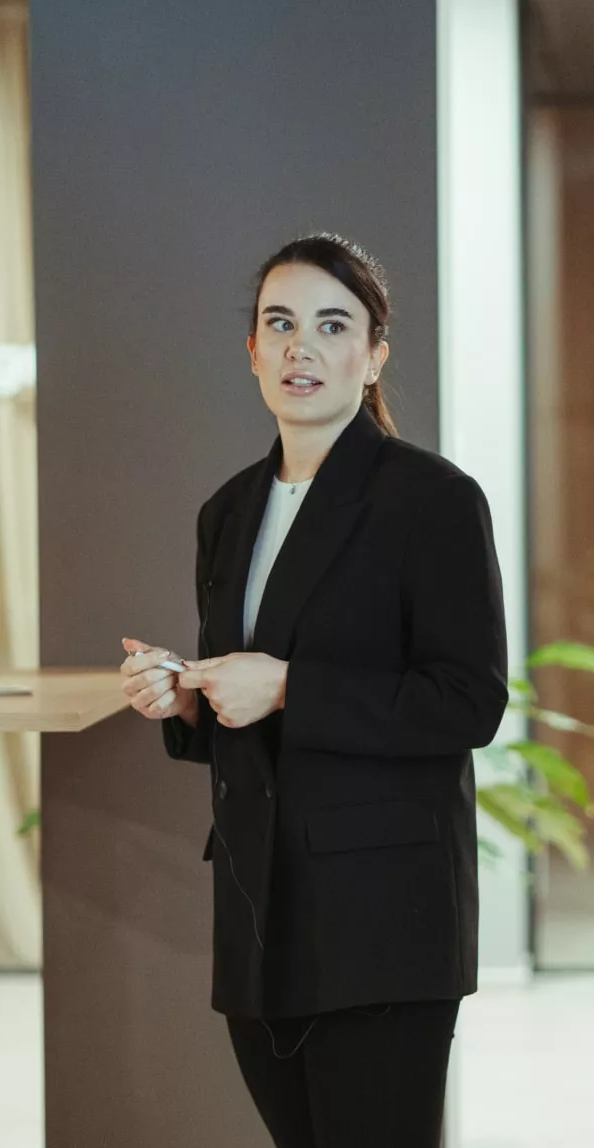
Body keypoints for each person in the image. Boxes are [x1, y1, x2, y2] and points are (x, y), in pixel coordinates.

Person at [119, 231, 508, 1148]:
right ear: (252, 351)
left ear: (372, 356)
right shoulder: (228, 511)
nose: (302, 347)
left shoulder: (433, 500)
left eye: (332, 326)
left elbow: (468, 701)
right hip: (260, 910)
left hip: (382, 918)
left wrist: (292, 687)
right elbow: (241, 708)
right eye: (280, 324)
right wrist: (186, 699)